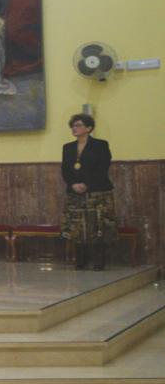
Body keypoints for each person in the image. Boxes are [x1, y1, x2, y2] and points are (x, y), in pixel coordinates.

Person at [62, 113, 114, 270]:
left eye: (78, 125)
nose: (74, 128)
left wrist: (87, 185)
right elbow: (65, 170)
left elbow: (102, 167)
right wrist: (73, 184)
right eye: (73, 126)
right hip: (75, 193)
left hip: (97, 191)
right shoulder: (68, 147)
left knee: (98, 225)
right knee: (78, 227)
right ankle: (80, 260)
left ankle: (99, 261)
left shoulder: (100, 145)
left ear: (89, 128)